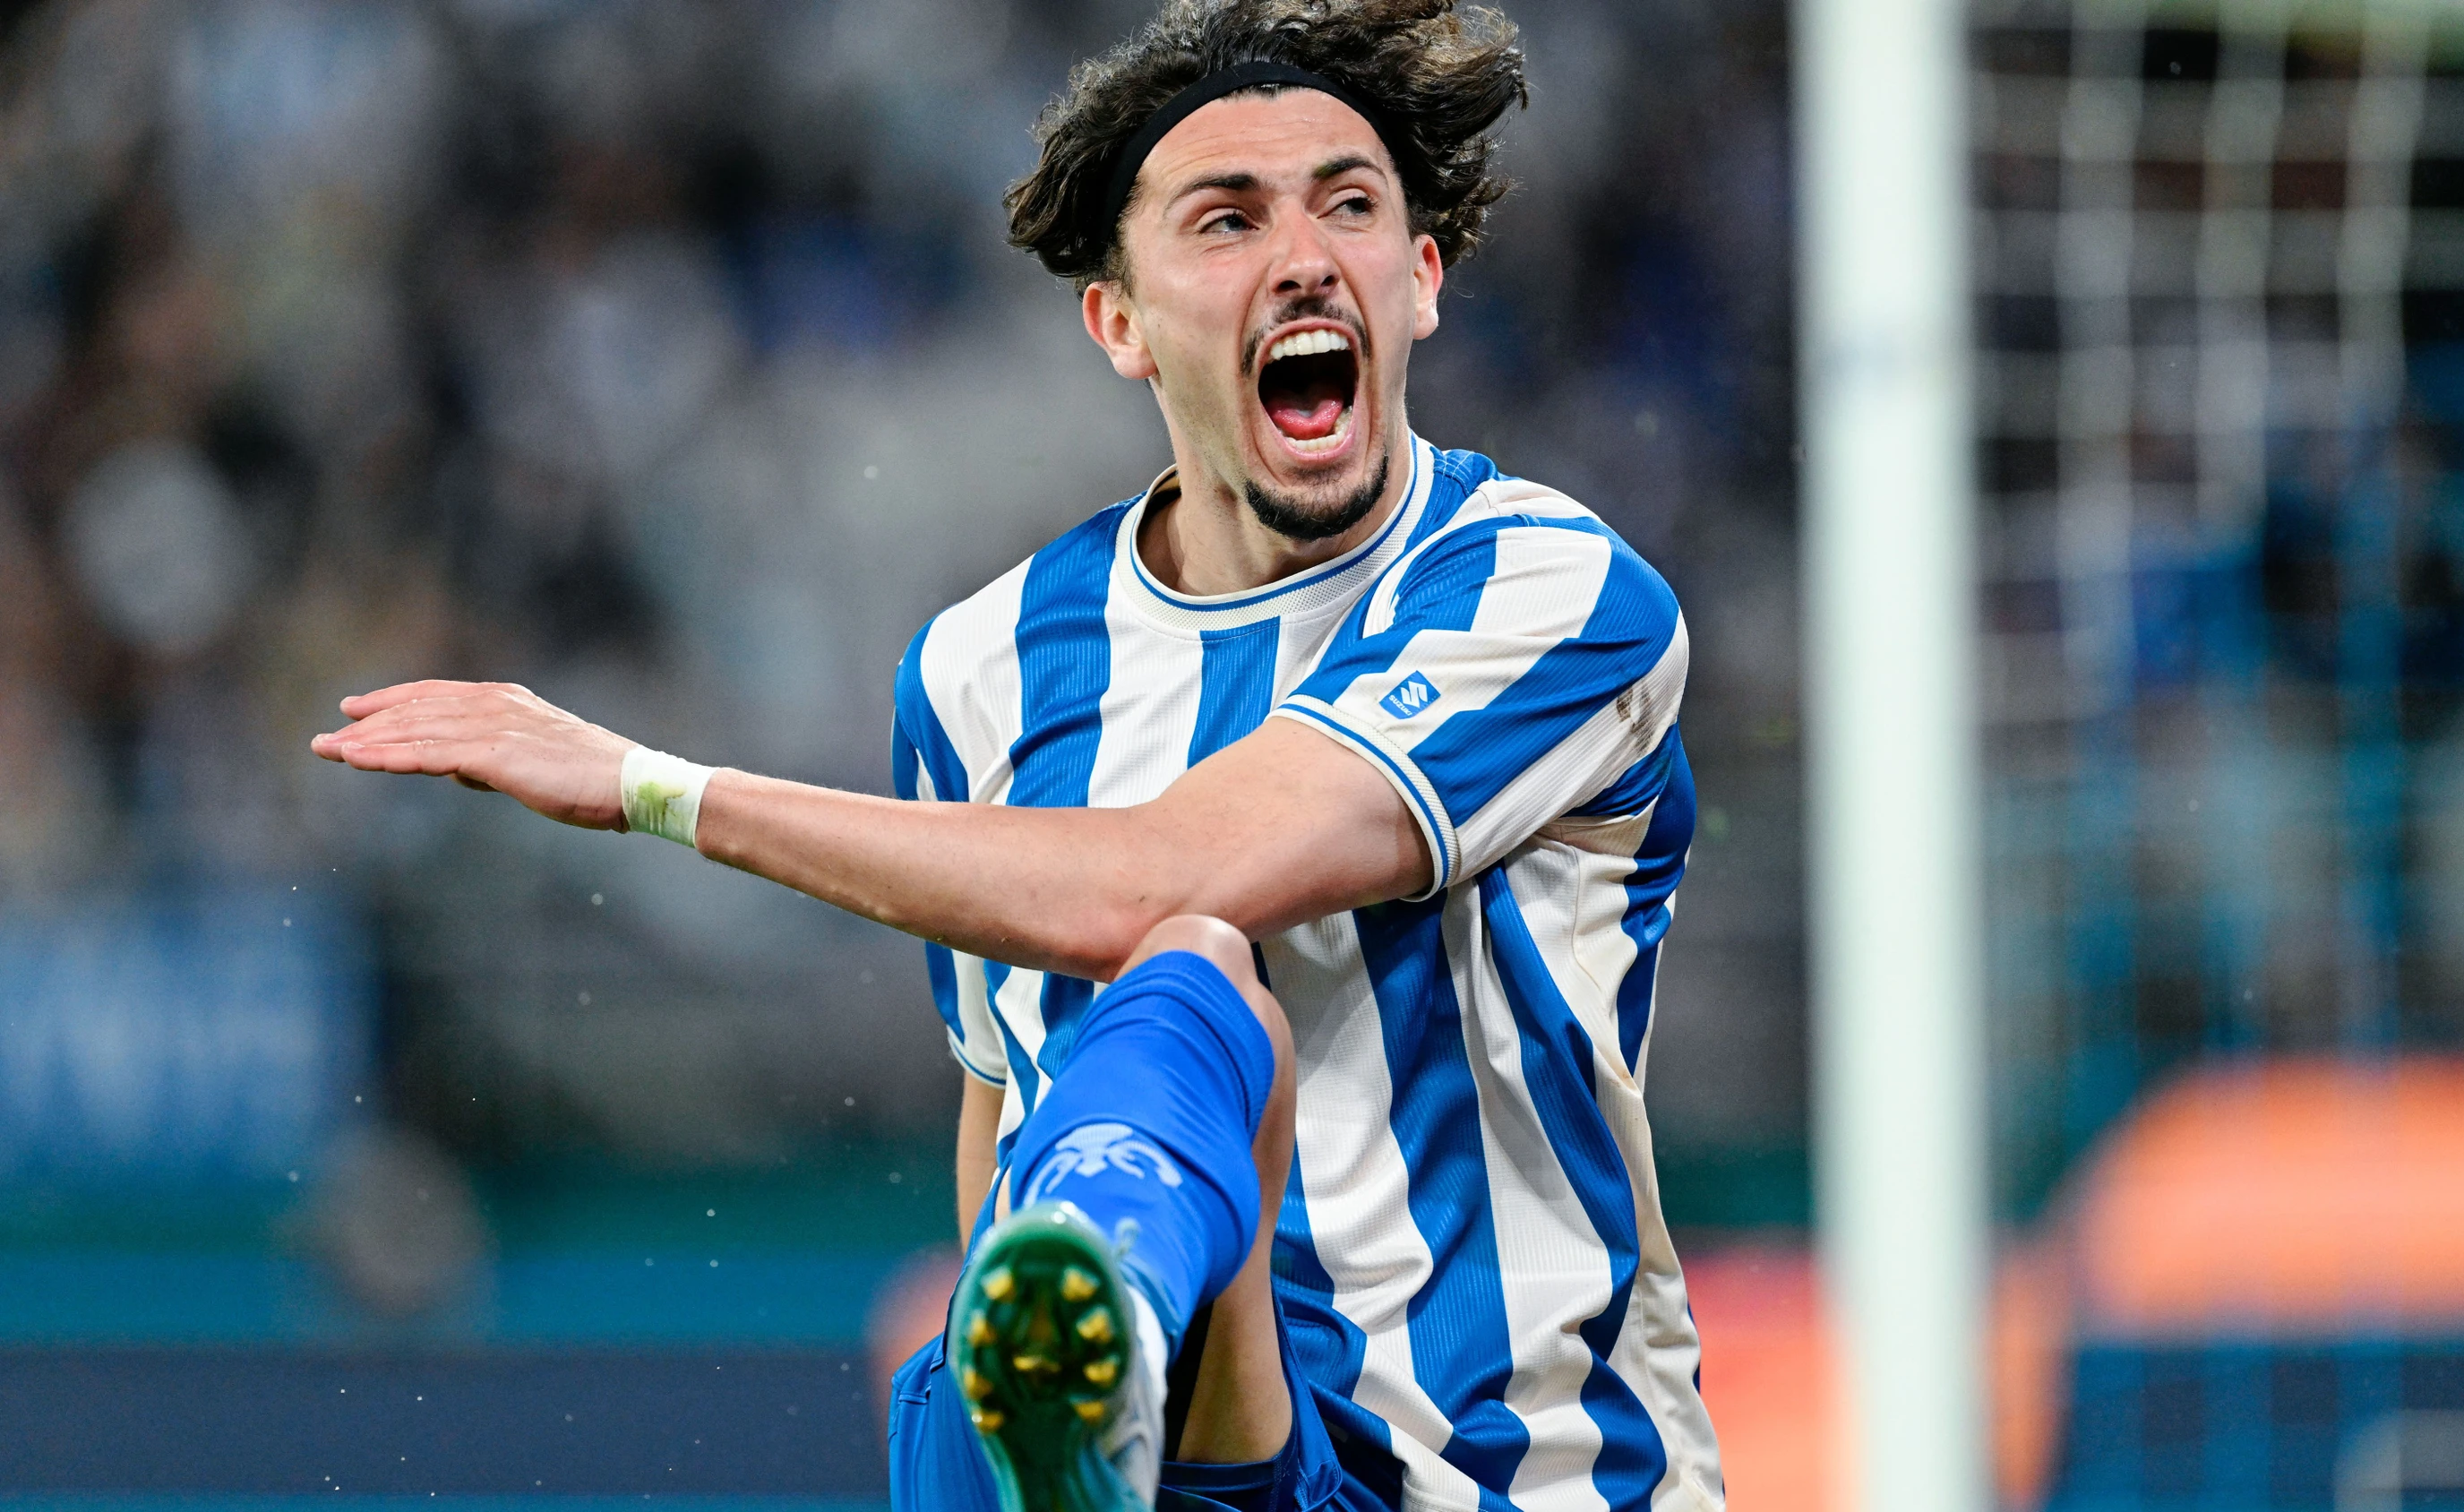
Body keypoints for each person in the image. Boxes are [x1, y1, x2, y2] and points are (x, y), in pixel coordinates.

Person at [311, 1, 1723, 1508]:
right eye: (1228, 219)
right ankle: (1081, 1412)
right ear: (1120, 323)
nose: (1306, 257)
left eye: (1351, 206)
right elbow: (1001, 1114)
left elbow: (1161, 880)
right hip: (1204, 1462)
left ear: (1422, 281)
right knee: (1131, 1078)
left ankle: (1103, 1367)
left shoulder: (1545, 589)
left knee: (1189, 959)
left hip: (1503, 1476)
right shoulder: (983, 669)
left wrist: (657, 791)